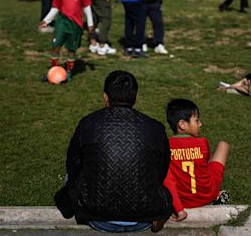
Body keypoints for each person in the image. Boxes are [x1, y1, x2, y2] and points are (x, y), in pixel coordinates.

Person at [54, 70, 172, 232]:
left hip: (96, 215)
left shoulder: (88, 123)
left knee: (70, 178)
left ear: (105, 97)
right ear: (135, 97)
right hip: (144, 216)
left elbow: (73, 165)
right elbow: (162, 170)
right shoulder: (155, 127)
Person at [163, 99, 230, 222]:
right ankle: (217, 197)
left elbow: (168, 179)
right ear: (182, 124)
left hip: (184, 201)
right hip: (208, 194)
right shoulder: (202, 143)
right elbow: (204, 163)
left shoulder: (166, 146)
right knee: (223, 145)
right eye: (197, 120)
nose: (200, 124)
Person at [39, 0, 93, 81]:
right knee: (55, 46)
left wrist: (90, 23)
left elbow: (87, 7)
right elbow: (55, 8)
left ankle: (68, 72)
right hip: (61, 22)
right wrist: (46, 20)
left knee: (71, 50)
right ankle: (52, 71)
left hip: (75, 25)